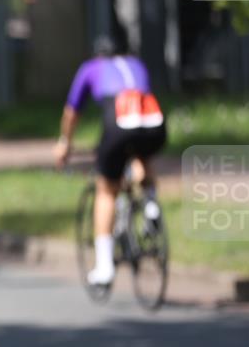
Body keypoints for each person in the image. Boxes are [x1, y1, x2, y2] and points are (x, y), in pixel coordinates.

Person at [54, 36, 167, 286]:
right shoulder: (136, 64)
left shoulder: (90, 68)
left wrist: (65, 143)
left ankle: (104, 266)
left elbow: (71, 113)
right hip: (154, 123)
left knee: (106, 190)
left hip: (119, 126)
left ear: (97, 55)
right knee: (140, 155)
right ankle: (150, 205)